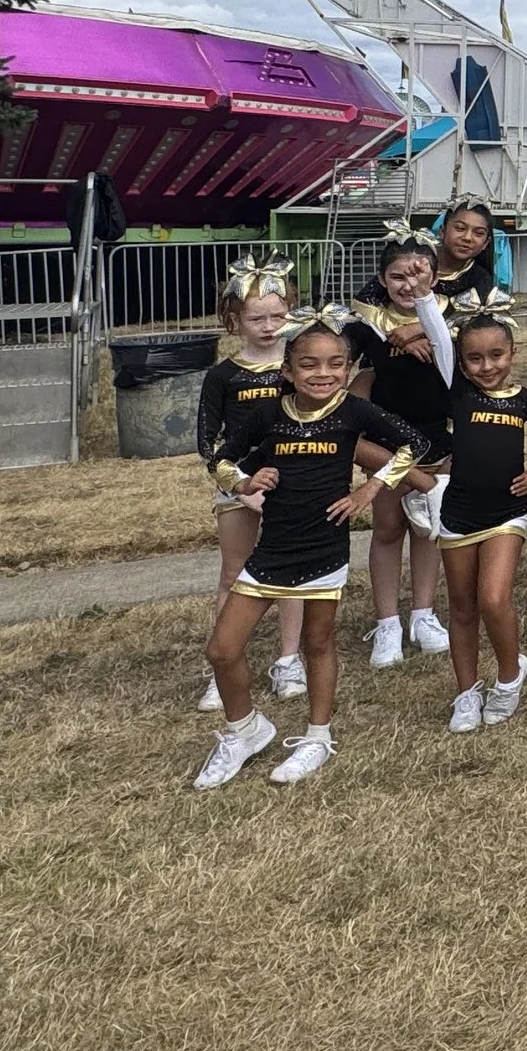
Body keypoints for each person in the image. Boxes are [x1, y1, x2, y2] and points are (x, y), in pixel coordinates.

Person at [192, 311, 431, 789]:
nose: (323, 374)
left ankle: (318, 736)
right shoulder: (267, 415)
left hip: (324, 546)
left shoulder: (353, 412)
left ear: (347, 368)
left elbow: (414, 443)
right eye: (309, 365)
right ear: (288, 371)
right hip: (272, 548)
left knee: (318, 643)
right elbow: (219, 458)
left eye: (335, 364)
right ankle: (245, 730)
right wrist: (243, 481)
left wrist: (370, 491)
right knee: (222, 649)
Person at [433, 297, 527, 732]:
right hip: (457, 515)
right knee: (461, 607)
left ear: (512, 354)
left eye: (496, 355)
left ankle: (510, 676)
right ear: (460, 361)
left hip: (506, 515)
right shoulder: (460, 392)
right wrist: (425, 296)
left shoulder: (523, 400)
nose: (487, 366)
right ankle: (466, 692)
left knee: (493, 599)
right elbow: (438, 336)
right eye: (474, 358)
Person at [194, 256, 306, 711]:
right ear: (234, 320)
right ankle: (225, 666)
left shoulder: (298, 366)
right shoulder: (222, 376)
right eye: (256, 318)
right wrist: (241, 485)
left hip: (293, 479)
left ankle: (289, 660)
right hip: (238, 483)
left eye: (278, 317)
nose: (268, 326)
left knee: (292, 574)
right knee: (234, 572)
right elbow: (207, 444)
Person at [343, 229, 458, 666]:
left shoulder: (452, 317)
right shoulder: (366, 325)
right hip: (387, 442)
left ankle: (424, 614)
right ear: (382, 279)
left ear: (434, 273)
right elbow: (342, 367)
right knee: (389, 529)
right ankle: (387, 621)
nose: (409, 286)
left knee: (430, 529)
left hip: (441, 437)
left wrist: (419, 330)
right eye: (397, 277)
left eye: (418, 273)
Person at [430, 195, 499, 299]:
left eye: (478, 233)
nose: (467, 238)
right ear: (442, 232)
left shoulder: (481, 280)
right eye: (460, 228)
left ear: (485, 243)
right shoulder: (418, 265)